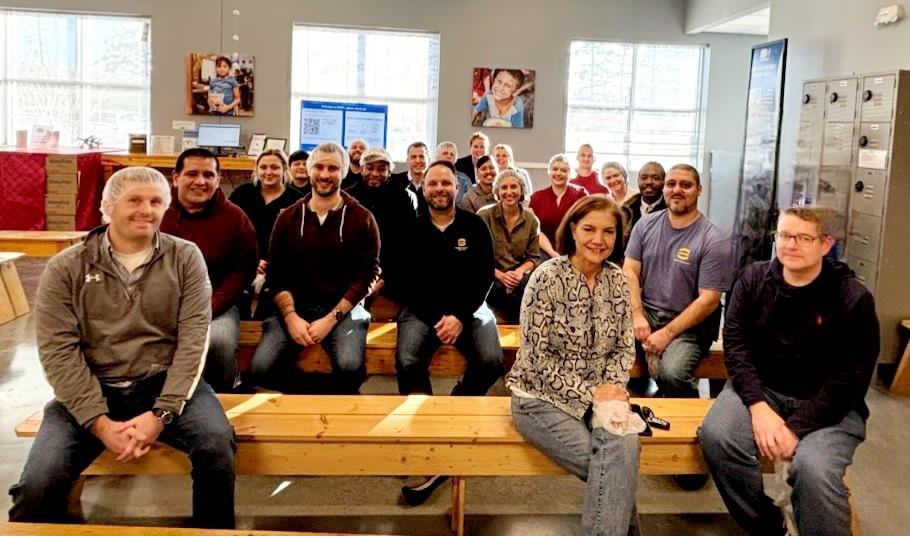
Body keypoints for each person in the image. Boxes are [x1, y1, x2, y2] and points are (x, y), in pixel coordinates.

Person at [8, 167, 235, 528]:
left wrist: (161, 414)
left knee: (217, 447)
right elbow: (57, 352)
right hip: (91, 388)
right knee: (39, 484)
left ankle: (213, 530)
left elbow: (193, 343)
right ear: (107, 207)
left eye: (156, 202)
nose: (146, 210)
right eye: (134, 200)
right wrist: (98, 422)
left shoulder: (185, 258)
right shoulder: (66, 267)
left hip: (164, 384)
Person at [699, 207, 879, 536]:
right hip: (762, 391)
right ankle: (767, 526)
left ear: (826, 244)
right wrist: (757, 406)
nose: (790, 245)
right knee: (718, 436)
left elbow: (851, 379)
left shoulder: (852, 298)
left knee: (814, 469)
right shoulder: (753, 280)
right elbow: (736, 347)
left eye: (803, 238)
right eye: (784, 235)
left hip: (829, 405)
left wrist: (795, 429)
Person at [508, 195, 638, 536]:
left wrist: (609, 391)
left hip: (600, 400)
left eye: (608, 232)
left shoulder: (617, 280)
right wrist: (593, 392)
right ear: (573, 231)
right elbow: (535, 359)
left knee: (623, 452)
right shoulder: (546, 278)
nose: (599, 240)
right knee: (614, 472)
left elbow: (625, 347)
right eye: (589, 229)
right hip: (539, 399)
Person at [396, 160, 503, 505]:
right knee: (407, 358)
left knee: (491, 360)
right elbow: (404, 282)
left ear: (456, 188)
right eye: (433, 184)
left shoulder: (474, 225)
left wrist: (458, 315)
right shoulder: (410, 228)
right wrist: (437, 316)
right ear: (423, 189)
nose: (440, 189)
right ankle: (425, 427)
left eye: (446, 183)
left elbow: (484, 275)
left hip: (470, 308)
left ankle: (455, 407)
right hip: (421, 310)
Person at [250, 142, 379, 394]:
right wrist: (290, 317)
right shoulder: (287, 217)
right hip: (295, 307)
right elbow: (277, 274)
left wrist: (330, 320)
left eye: (333, 168)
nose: (324, 174)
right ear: (309, 170)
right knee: (261, 368)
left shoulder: (361, 218)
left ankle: (333, 406)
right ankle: (306, 396)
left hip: (343, 308)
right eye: (319, 167)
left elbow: (367, 276)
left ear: (343, 172)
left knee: (350, 365)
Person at [623, 163, 732, 398]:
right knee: (605, 352)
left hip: (691, 325)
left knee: (673, 373)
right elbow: (630, 270)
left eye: (686, 185)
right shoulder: (645, 224)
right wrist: (637, 314)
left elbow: (709, 300)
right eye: (671, 184)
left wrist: (666, 333)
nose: (677, 190)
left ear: (699, 190)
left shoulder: (714, 239)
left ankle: (685, 424)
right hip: (648, 313)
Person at [160, 148, 258, 391]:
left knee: (219, 342)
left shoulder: (236, 218)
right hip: (162, 303)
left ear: (218, 179)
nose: (200, 181)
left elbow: (242, 273)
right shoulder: (158, 214)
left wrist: (207, 308)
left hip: (218, 305)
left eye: (208, 175)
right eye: (192, 174)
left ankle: (220, 399)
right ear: (176, 177)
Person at [228, 149, 303, 318]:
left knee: (268, 311)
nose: (268, 172)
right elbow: (230, 231)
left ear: (284, 170)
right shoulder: (242, 193)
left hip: (280, 266)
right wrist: (252, 261)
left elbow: (299, 241)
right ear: (257, 170)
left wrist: (270, 262)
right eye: (263, 167)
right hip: (244, 261)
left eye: (274, 167)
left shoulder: (296, 199)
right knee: (238, 307)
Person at [347, 147, 418, 304]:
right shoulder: (348, 197)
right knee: (348, 323)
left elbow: (407, 244)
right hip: (352, 280)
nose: (375, 173)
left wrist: (384, 280)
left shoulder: (402, 198)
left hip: (391, 280)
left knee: (382, 324)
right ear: (361, 169)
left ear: (389, 172)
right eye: (369, 168)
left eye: (381, 169)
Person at [477, 168, 540, 322]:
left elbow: (533, 257)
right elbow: (476, 257)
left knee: (528, 289)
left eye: (514, 187)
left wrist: (518, 273)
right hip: (491, 274)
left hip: (518, 278)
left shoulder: (532, 220)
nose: (509, 192)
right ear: (497, 191)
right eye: (504, 187)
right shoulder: (484, 216)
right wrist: (501, 276)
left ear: (522, 190)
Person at [529, 154, 588, 259]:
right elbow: (535, 231)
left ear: (569, 174)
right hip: (544, 252)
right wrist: (552, 253)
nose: (558, 173)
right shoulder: (537, 198)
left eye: (563, 170)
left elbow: (585, 226)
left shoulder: (580, 194)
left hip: (574, 251)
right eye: (555, 169)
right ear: (549, 171)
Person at [624, 161, 667, 230]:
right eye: (644, 178)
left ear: (664, 181)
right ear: (638, 180)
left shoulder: (671, 209)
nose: (649, 182)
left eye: (655, 178)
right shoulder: (626, 210)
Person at [391, 141, 429, 215]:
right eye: (413, 157)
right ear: (407, 161)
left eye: (421, 156)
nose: (418, 161)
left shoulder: (435, 184)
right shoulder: (394, 182)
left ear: (428, 160)